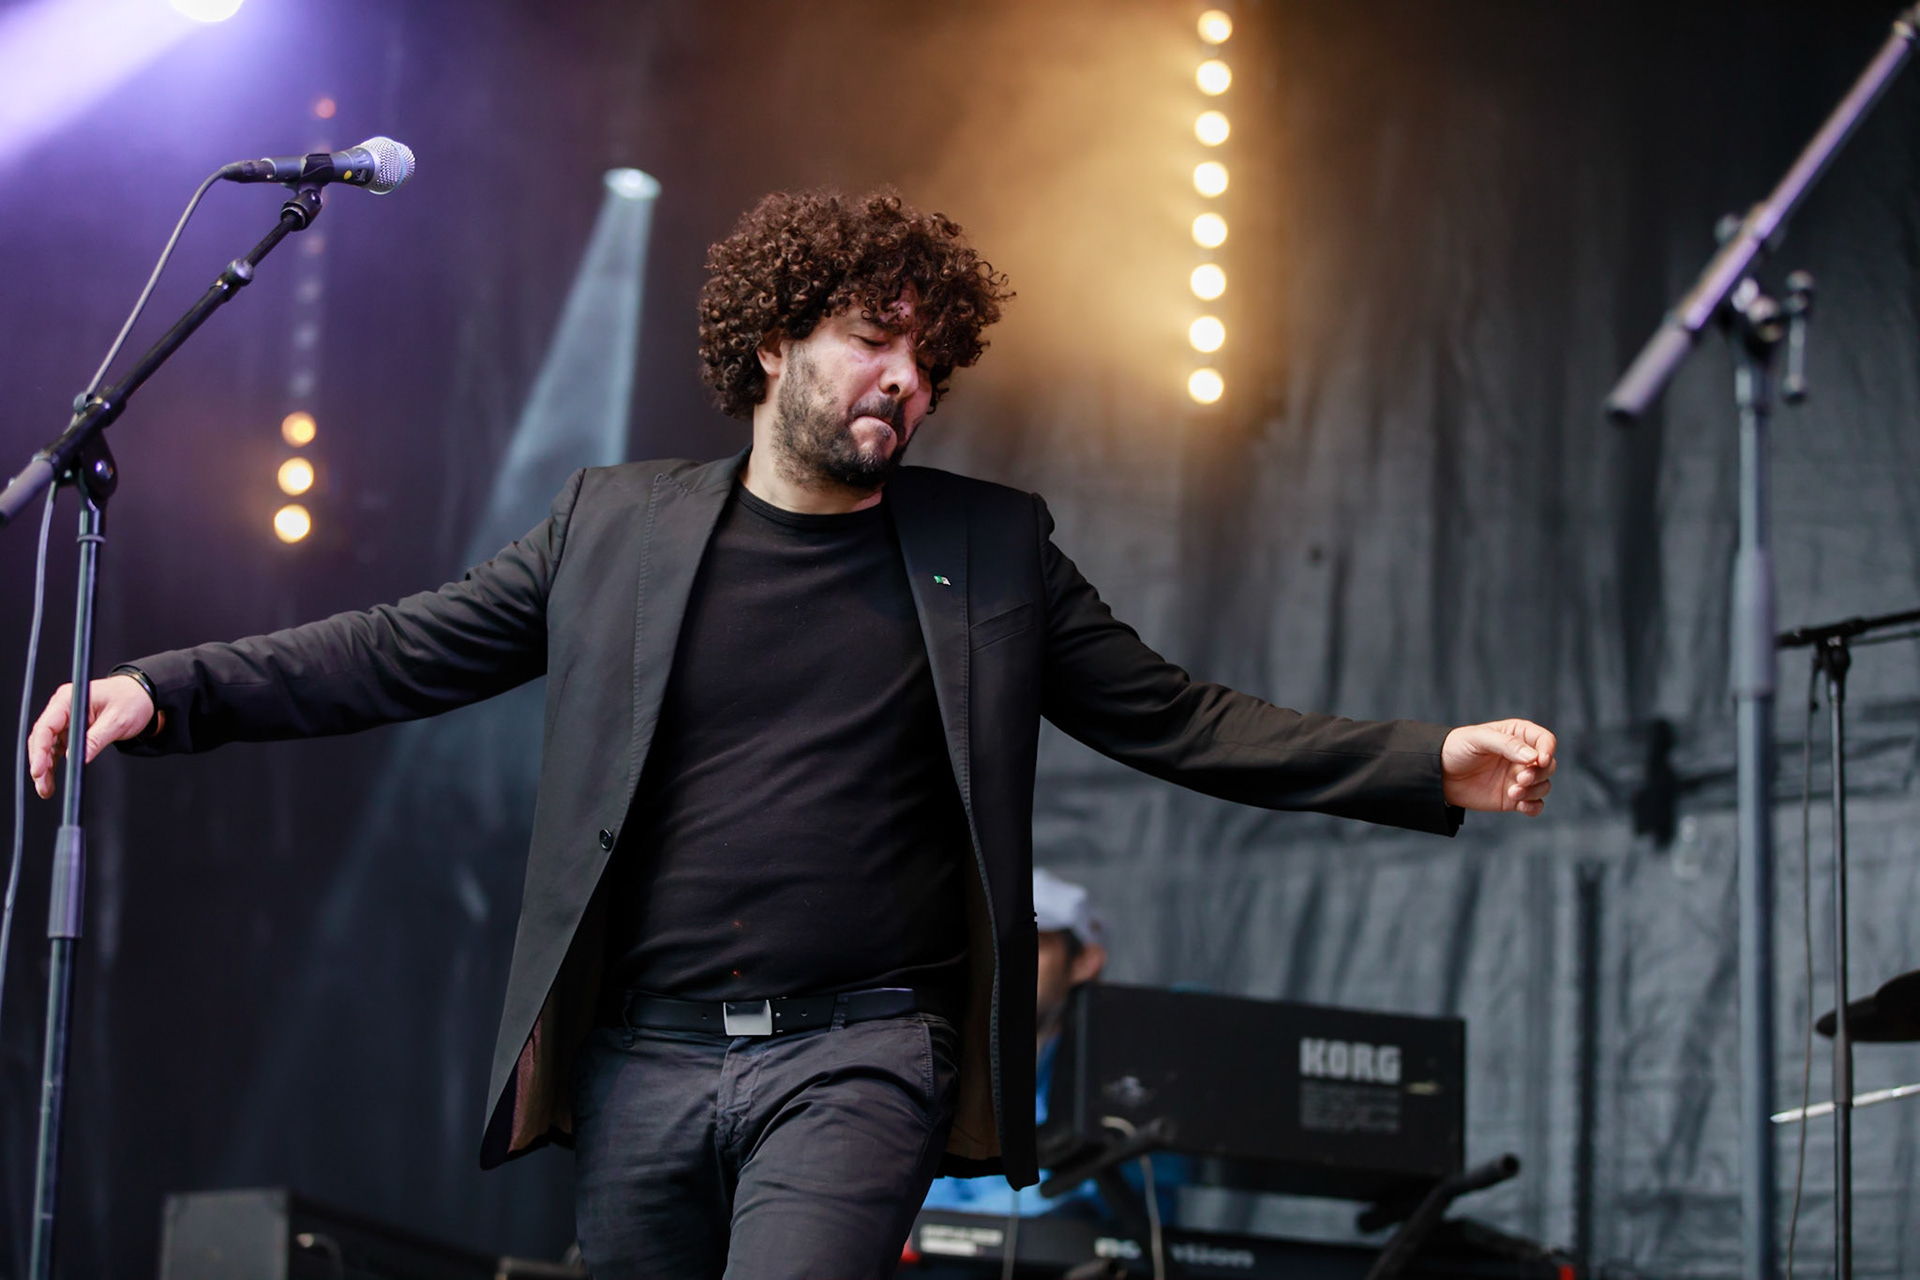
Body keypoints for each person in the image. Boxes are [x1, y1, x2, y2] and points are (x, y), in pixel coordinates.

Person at [27, 189, 1557, 1280]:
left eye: (929, 357)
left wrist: (1421, 760)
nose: (906, 376)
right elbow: (402, 649)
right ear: (772, 343)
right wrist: (174, 688)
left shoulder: (989, 548)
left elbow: (1176, 716)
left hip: (860, 1053)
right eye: (871, 339)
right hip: (643, 1063)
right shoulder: (615, 525)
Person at [920, 867, 1184, 1224]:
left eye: (1032, 944)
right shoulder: (940, 1058)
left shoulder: (1130, 1066)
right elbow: (922, 1196)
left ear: (1084, 962)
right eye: (989, 944)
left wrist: (958, 1224)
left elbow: (1127, 1191)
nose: (1004, 963)